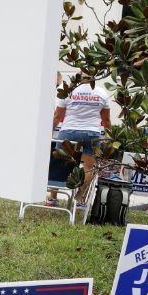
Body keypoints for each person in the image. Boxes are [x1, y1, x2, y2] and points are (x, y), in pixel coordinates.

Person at [51, 72, 111, 209]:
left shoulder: (68, 90)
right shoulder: (101, 92)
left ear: (78, 76)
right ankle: (80, 200)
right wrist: (109, 139)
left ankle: (52, 198)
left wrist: (48, 132)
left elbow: (57, 116)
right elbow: (106, 120)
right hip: (92, 134)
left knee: (59, 163)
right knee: (89, 167)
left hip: (68, 133)